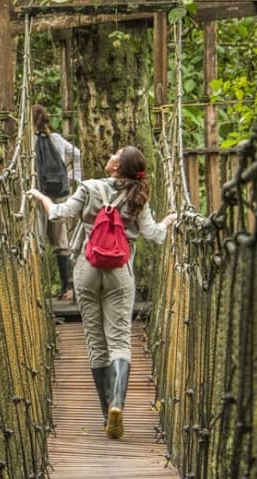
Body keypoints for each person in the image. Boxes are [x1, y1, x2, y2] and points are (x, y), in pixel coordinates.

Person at [27, 145, 178, 439]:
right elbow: (154, 235)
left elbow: (58, 214)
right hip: (121, 272)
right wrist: (169, 222)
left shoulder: (90, 188)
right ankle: (118, 405)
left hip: (86, 268)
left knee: (96, 341)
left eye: (115, 154)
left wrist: (41, 197)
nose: (109, 155)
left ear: (116, 167)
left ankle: (105, 409)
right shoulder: (139, 197)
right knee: (119, 339)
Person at [32, 103, 82, 300]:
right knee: (61, 241)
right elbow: (77, 154)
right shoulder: (56, 139)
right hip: (60, 193)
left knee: (37, 240)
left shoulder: (30, 141)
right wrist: (72, 177)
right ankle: (65, 288)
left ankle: (39, 288)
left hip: (38, 194)